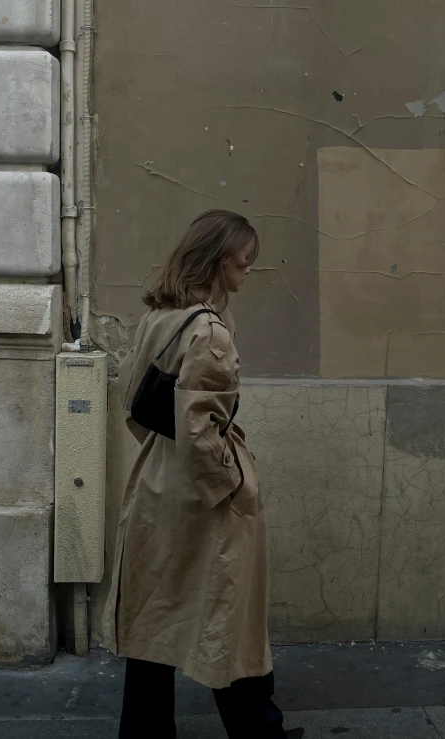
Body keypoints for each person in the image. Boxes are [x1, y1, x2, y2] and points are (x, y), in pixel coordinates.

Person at [103, 210, 286, 738]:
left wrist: (165, 453)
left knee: (154, 619)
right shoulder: (208, 330)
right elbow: (202, 428)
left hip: (157, 478)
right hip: (203, 499)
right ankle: (258, 731)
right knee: (229, 617)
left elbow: (132, 402)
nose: (249, 270)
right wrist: (228, 487)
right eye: (245, 260)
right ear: (221, 259)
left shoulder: (159, 318)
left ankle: (145, 731)